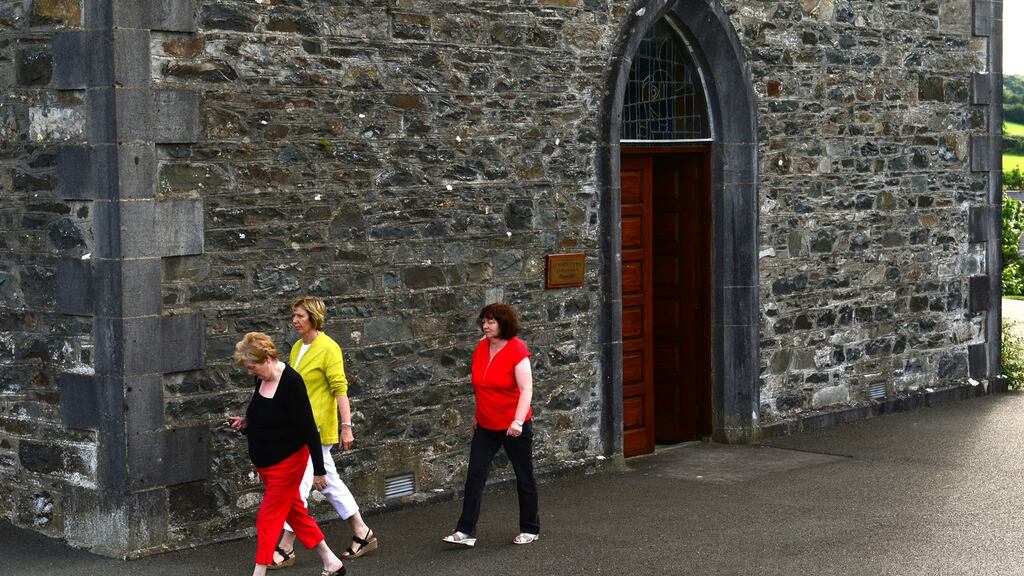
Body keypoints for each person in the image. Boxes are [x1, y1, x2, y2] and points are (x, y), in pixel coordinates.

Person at [227, 332, 346, 576]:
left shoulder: (291, 382)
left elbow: (309, 429)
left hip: (288, 462)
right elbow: (267, 414)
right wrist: (247, 422)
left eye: (252, 367)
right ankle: (331, 562)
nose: (250, 373)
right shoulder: (261, 378)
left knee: (267, 518)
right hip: (266, 464)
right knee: (296, 512)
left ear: (268, 358)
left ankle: (258, 573)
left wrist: (319, 470)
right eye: (248, 368)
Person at [271, 296, 377, 568]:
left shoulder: (329, 348)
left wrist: (347, 426)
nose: (294, 321)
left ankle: (286, 546)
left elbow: (339, 388)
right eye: (293, 316)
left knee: (298, 487)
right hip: (297, 428)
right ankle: (362, 532)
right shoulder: (296, 347)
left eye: (300, 316)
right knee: (329, 482)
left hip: (317, 429)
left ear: (314, 318)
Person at [443, 303, 540, 547]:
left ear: (503, 324)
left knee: (524, 476)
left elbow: (526, 389)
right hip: (486, 425)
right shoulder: (481, 347)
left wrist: (518, 421)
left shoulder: (517, 350)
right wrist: (477, 414)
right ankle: (466, 531)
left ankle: (530, 528)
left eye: (491, 322)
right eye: (484, 321)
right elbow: (480, 386)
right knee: (474, 475)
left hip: (513, 425)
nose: (485, 326)